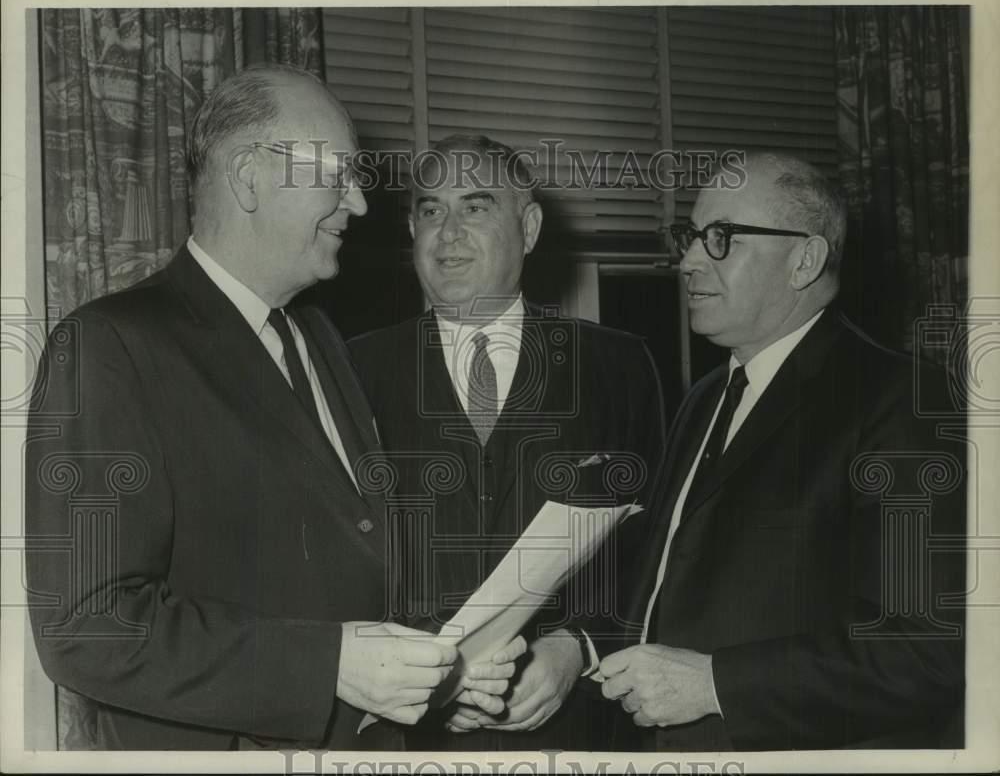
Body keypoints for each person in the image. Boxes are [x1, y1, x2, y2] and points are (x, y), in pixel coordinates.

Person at [24, 65, 517, 751]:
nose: (361, 204)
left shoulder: (317, 335)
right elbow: (87, 627)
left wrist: (436, 667)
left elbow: (346, 566)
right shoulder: (111, 345)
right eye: (338, 174)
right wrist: (331, 667)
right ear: (250, 175)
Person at [599, 152, 966, 750]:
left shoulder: (904, 402)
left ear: (805, 259)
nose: (688, 260)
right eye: (689, 236)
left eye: (721, 238)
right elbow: (665, 581)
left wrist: (718, 685)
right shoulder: (703, 399)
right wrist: (577, 649)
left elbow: (930, 651)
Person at [348, 134, 666, 750]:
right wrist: (424, 679)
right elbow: (332, 559)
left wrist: (580, 647)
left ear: (530, 226)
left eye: (476, 206)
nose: (449, 231)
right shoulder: (351, 371)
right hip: (410, 739)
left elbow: (654, 551)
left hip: (574, 730)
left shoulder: (619, 365)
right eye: (431, 210)